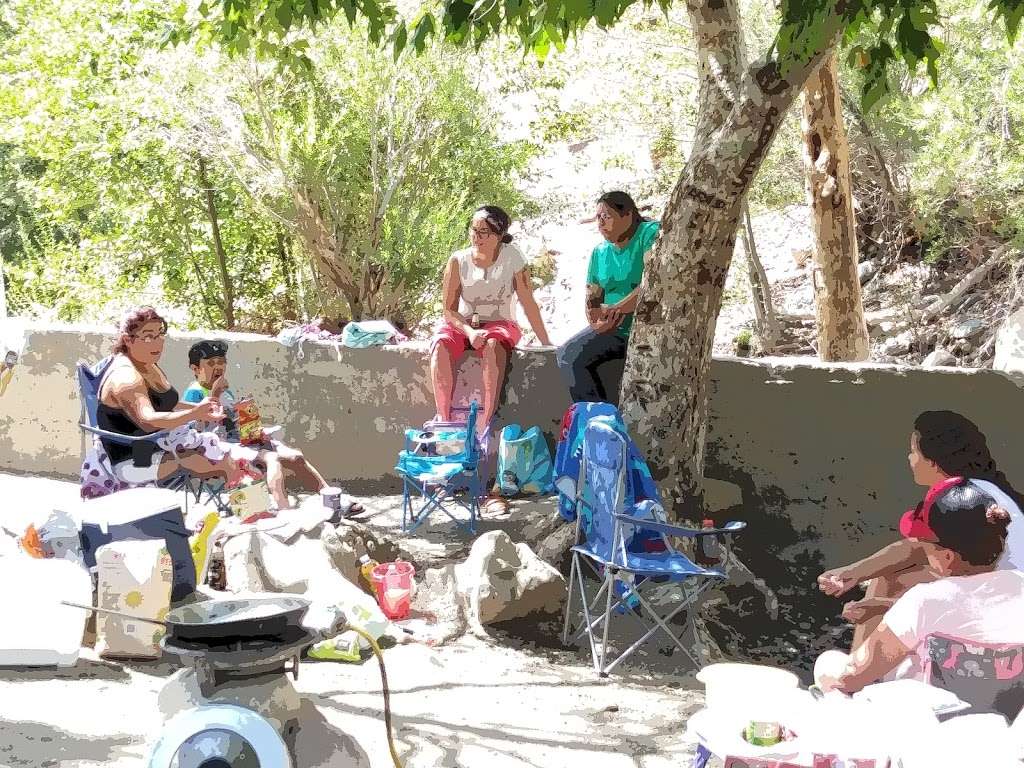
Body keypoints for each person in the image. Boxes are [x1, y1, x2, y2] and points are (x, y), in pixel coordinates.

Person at [818, 479, 1024, 719]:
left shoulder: (925, 600)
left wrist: (831, 676)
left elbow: (853, 676)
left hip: (929, 730)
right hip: (1006, 729)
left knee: (829, 662)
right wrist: (886, 608)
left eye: (925, 548)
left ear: (947, 556)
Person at [818, 410, 1024, 649]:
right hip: (1009, 588)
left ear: (933, 461)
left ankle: (860, 668)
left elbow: (915, 548)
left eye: (914, 452)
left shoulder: (953, 496)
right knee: (895, 577)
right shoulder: (985, 487)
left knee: (888, 579)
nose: (909, 458)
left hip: (999, 597)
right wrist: (852, 574)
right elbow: (919, 548)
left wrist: (859, 582)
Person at [183, 339, 363, 514]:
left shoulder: (226, 391)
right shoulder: (195, 392)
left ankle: (331, 500)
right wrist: (214, 394)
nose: (218, 367)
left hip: (241, 441)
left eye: (222, 362)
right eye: (211, 363)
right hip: (217, 451)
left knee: (296, 457)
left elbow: (232, 423)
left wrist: (251, 426)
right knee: (271, 459)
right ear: (196, 369)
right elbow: (195, 432)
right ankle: (285, 511)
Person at [430, 205, 552, 441]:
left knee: (494, 344)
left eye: (484, 232)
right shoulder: (458, 260)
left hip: (500, 322)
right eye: (473, 230)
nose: (477, 237)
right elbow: (449, 310)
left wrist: (546, 342)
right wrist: (467, 331)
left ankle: (487, 421)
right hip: (464, 323)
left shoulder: (512, 257)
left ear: (498, 235)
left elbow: (528, 301)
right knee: (440, 343)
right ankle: (444, 420)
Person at [94, 307, 245, 488]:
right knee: (226, 462)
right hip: (135, 460)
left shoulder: (147, 364)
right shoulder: (126, 377)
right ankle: (250, 509)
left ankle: (250, 507)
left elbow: (164, 402)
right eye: (149, 336)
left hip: (158, 445)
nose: (157, 343)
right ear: (128, 340)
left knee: (228, 454)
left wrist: (200, 408)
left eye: (160, 334)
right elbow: (148, 420)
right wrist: (195, 413)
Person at [556, 191, 659, 404]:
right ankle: (597, 421)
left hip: (649, 327)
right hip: (614, 331)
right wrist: (597, 324)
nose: (601, 223)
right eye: (598, 218)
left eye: (607, 216)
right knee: (567, 354)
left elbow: (653, 283)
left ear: (627, 215)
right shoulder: (599, 252)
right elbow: (592, 300)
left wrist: (617, 308)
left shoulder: (649, 234)